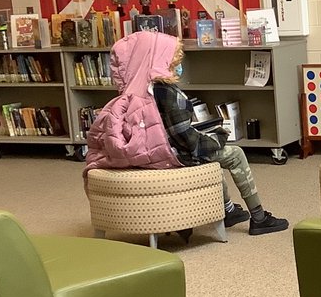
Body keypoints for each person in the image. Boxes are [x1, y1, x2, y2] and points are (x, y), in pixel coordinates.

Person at [86, 32, 287, 238]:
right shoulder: (167, 93)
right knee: (233, 154)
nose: (178, 65)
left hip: (150, 154)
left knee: (211, 156)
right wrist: (218, 137)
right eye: (175, 60)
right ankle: (259, 217)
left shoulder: (135, 91)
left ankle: (227, 210)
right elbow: (188, 141)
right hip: (173, 155)